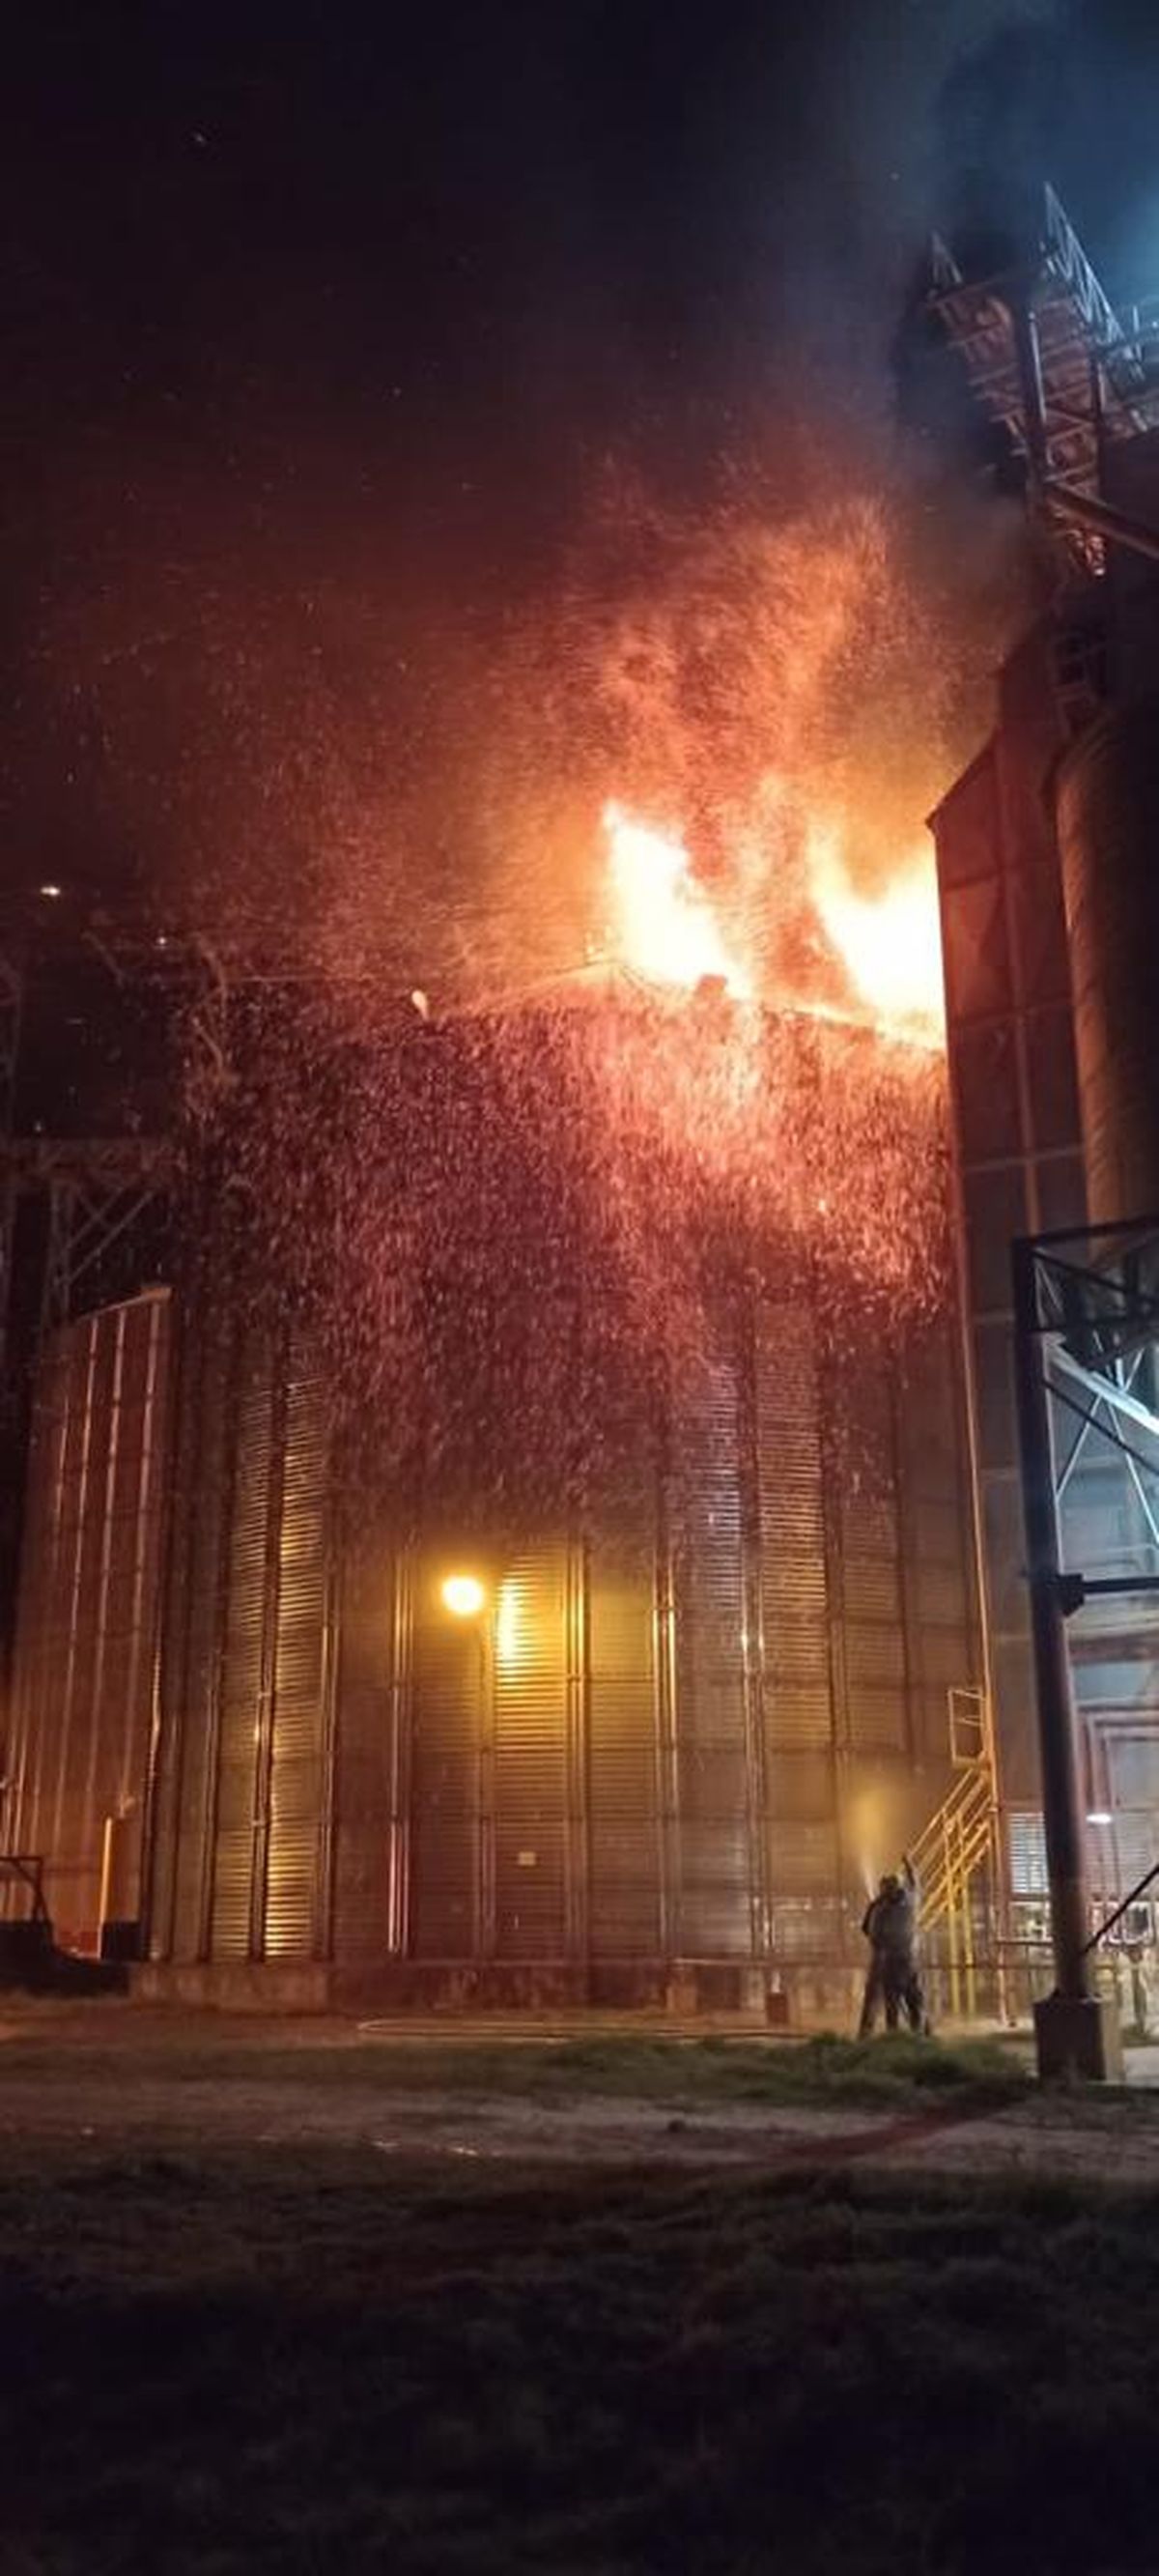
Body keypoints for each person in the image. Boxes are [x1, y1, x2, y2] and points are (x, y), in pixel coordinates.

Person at [858, 1854, 927, 2036]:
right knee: (913, 2002)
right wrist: (909, 1864)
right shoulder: (909, 1902)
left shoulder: (878, 1908)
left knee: (889, 2003)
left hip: (886, 1962)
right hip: (905, 1961)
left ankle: (881, 2035)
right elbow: (915, 1884)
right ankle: (918, 2035)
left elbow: (867, 1930)